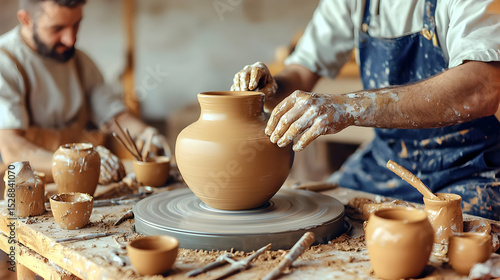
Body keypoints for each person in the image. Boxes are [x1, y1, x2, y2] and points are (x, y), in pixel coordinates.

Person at [231, 0, 500, 220]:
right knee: (327, 215)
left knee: (459, 242)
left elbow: (481, 87)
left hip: (471, 167)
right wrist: (271, 86)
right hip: (386, 163)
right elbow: (300, 72)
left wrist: (350, 107)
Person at [0, 0, 168, 188]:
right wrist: (76, 163)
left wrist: (145, 133)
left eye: (76, 24)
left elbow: (114, 116)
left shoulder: (80, 62)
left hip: (83, 185)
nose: (70, 39)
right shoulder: (5, 63)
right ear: (26, 19)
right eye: (57, 28)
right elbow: (12, 149)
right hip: (30, 190)